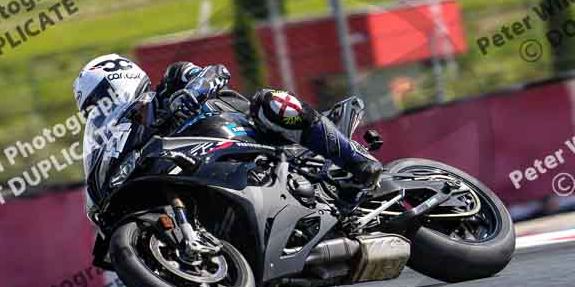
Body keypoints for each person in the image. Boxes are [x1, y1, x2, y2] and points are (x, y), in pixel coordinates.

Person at [73, 54, 382, 195]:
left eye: (100, 102)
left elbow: (216, 72)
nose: (99, 112)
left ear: (120, 82)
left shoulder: (172, 80)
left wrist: (191, 93)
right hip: (223, 175)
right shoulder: (137, 142)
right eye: (93, 111)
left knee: (271, 102)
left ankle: (355, 159)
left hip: (255, 133)